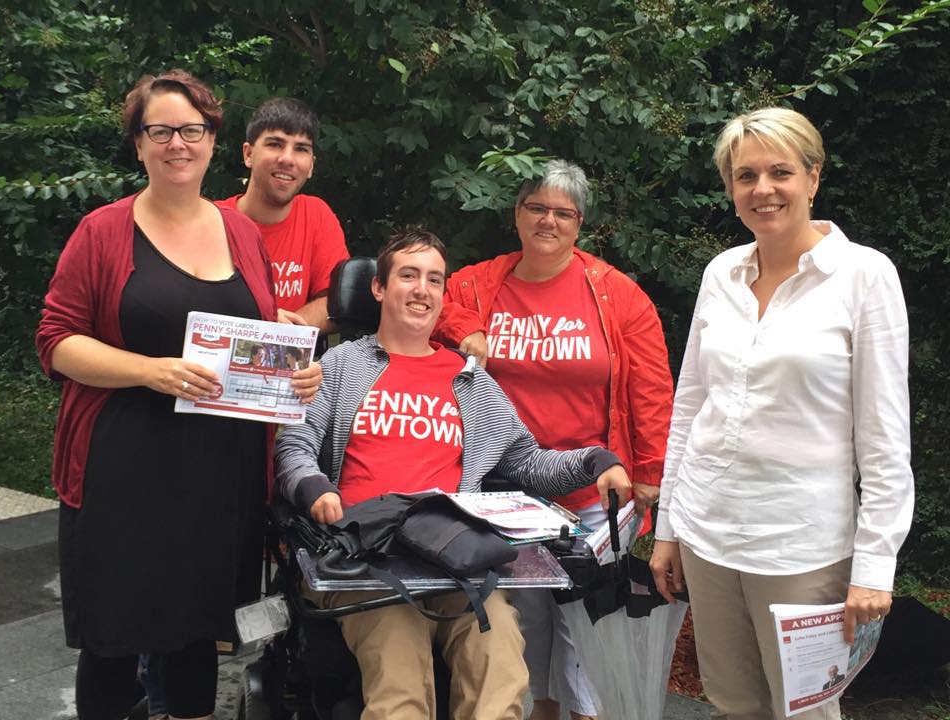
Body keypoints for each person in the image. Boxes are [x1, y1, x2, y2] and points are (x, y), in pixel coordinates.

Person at [35, 70, 317, 720]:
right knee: (112, 638)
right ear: (138, 143)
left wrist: (295, 373)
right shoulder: (102, 232)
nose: (176, 144)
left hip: (219, 472)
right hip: (122, 469)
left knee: (197, 634)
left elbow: (258, 335)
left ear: (214, 140)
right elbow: (55, 341)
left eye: (191, 130)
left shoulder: (242, 234)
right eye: (159, 130)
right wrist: (149, 370)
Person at [274, 228, 634, 720]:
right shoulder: (339, 366)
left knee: (502, 665)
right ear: (378, 288)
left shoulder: (470, 380)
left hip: (455, 555)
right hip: (366, 556)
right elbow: (295, 447)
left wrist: (595, 461)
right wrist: (316, 490)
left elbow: (525, 462)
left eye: (434, 280)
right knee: (400, 687)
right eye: (408, 276)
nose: (422, 289)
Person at [649, 107, 914, 720]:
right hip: (710, 536)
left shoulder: (864, 276)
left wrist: (875, 564)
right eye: (745, 176)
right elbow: (690, 408)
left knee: (806, 711)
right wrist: (669, 528)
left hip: (801, 547)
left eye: (780, 172)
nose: (762, 189)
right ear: (730, 189)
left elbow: (885, 436)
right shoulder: (722, 273)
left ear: (813, 178)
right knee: (734, 702)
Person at [433, 159, 674, 720]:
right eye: (536, 207)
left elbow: (653, 386)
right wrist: (463, 328)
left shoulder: (617, 294)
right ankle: (540, 709)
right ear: (516, 214)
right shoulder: (480, 282)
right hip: (505, 490)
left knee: (583, 616)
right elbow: (431, 298)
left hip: (596, 490)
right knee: (527, 614)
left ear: (580, 222)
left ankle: (587, 713)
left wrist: (651, 473)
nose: (548, 220)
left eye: (562, 212)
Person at [215, 96, 349, 330]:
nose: (287, 158)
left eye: (301, 149)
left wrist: (275, 335)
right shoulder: (211, 220)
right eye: (275, 144)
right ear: (248, 154)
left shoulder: (316, 214)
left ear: (311, 166)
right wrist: (264, 324)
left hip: (291, 363)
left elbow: (336, 302)